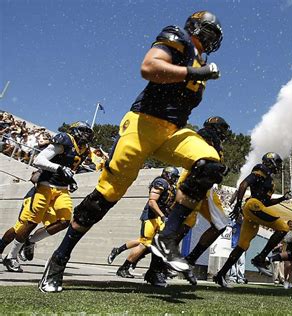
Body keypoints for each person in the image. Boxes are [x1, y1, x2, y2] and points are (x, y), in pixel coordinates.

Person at [39, 11, 226, 293]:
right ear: (195, 27)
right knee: (105, 197)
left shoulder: (202, 61)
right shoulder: (180, 39)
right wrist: (194, 72)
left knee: (210, 162)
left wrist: (198, 70)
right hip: (143, 123)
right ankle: (59, 259)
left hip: (174, 130)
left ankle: (167, 237)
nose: (211, 40)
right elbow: (149, 67)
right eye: (209, 32)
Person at [147, 116, 231, 286]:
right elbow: (200, 160)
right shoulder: (205, 135)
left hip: (206, 188)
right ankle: (154, 271)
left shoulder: (216, 144)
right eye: (222, 129)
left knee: (220, 224)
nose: (224, 134)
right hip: (193, 181)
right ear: (215, 127)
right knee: (178, 229)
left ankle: (189, 261)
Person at [0, 122, 93, 272]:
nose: (86, 134)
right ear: (74, 130)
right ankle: (9, 254)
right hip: (45, 187)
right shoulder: (65, 140)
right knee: (27, 224)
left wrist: (70, 180)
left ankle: (30, 241)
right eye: (83, 130)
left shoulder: (85, 150)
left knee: (64, 221)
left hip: (62, 190)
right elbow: (39, 160)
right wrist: (59, 168)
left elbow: (68, 169)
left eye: (89, 132)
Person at [213, 152, 292, 288]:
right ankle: (260, 258)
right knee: (284, 228)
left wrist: (283, 198)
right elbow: (244, 184)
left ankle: (220, 274)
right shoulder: (261, 169)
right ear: (270, 161)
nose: (278, 166)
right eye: (277, 163)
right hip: (252, 205)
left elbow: (266, 202)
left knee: (242, 246)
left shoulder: (271, 182)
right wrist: (238, 203)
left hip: (256, 209)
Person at [107, 167, 179, 280]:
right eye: (174, 177)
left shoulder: (171, 187)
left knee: (159, 243)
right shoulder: (160, 182)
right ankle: (124, 268)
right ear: (168, 175)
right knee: (145, 243)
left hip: (160, 217)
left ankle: (119, 251)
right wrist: (163, 216)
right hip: (152, 216)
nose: (175, 179)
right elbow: (152, 202)